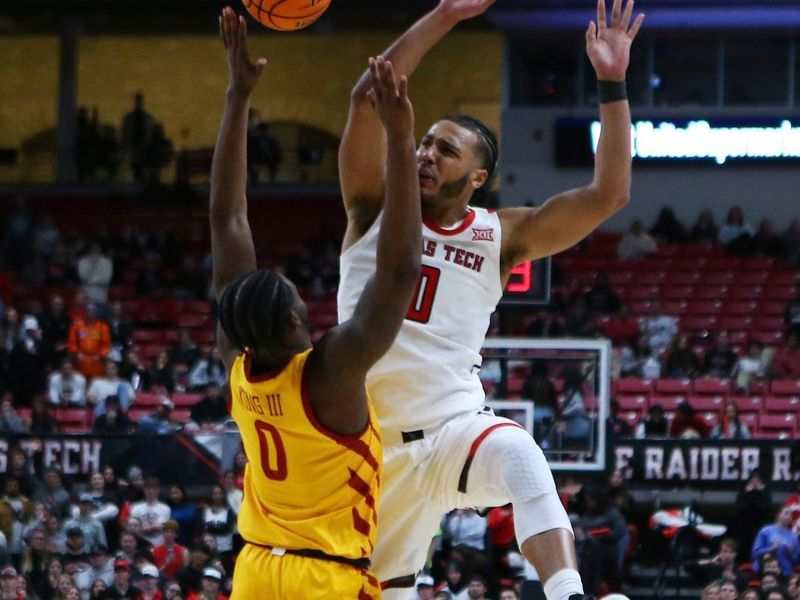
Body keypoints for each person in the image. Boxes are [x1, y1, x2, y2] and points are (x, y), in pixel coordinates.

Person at [336, 0, 643, 596]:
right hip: (365, 445)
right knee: (382, 589)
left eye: (446, 150)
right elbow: (364, 101)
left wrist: (611, 82)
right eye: (424, 143)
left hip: (452, 426)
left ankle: (566, 593)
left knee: (522, 456)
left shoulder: (500, 235)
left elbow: (610, 194)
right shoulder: (373, 204)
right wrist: (447, 15)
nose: (426, 153)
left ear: (478, 178)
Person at [212, 8, 421, 599]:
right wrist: (400, 136)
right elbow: (401, 267)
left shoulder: (238, 360)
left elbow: (228, 221)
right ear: (296, 322)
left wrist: (237, 96)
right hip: (324, 578)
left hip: (255, 569)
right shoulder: (330, 371)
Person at [751, 506, 800, 577]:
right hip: (766, 569)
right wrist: (771, 548)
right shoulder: (766, 531)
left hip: (785, 572)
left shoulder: (793, 536)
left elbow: (796, 560)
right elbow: (755, 553)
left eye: (791, 515)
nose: (789, 517)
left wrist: (791, 552)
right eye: (786, 513)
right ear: (778, 515)